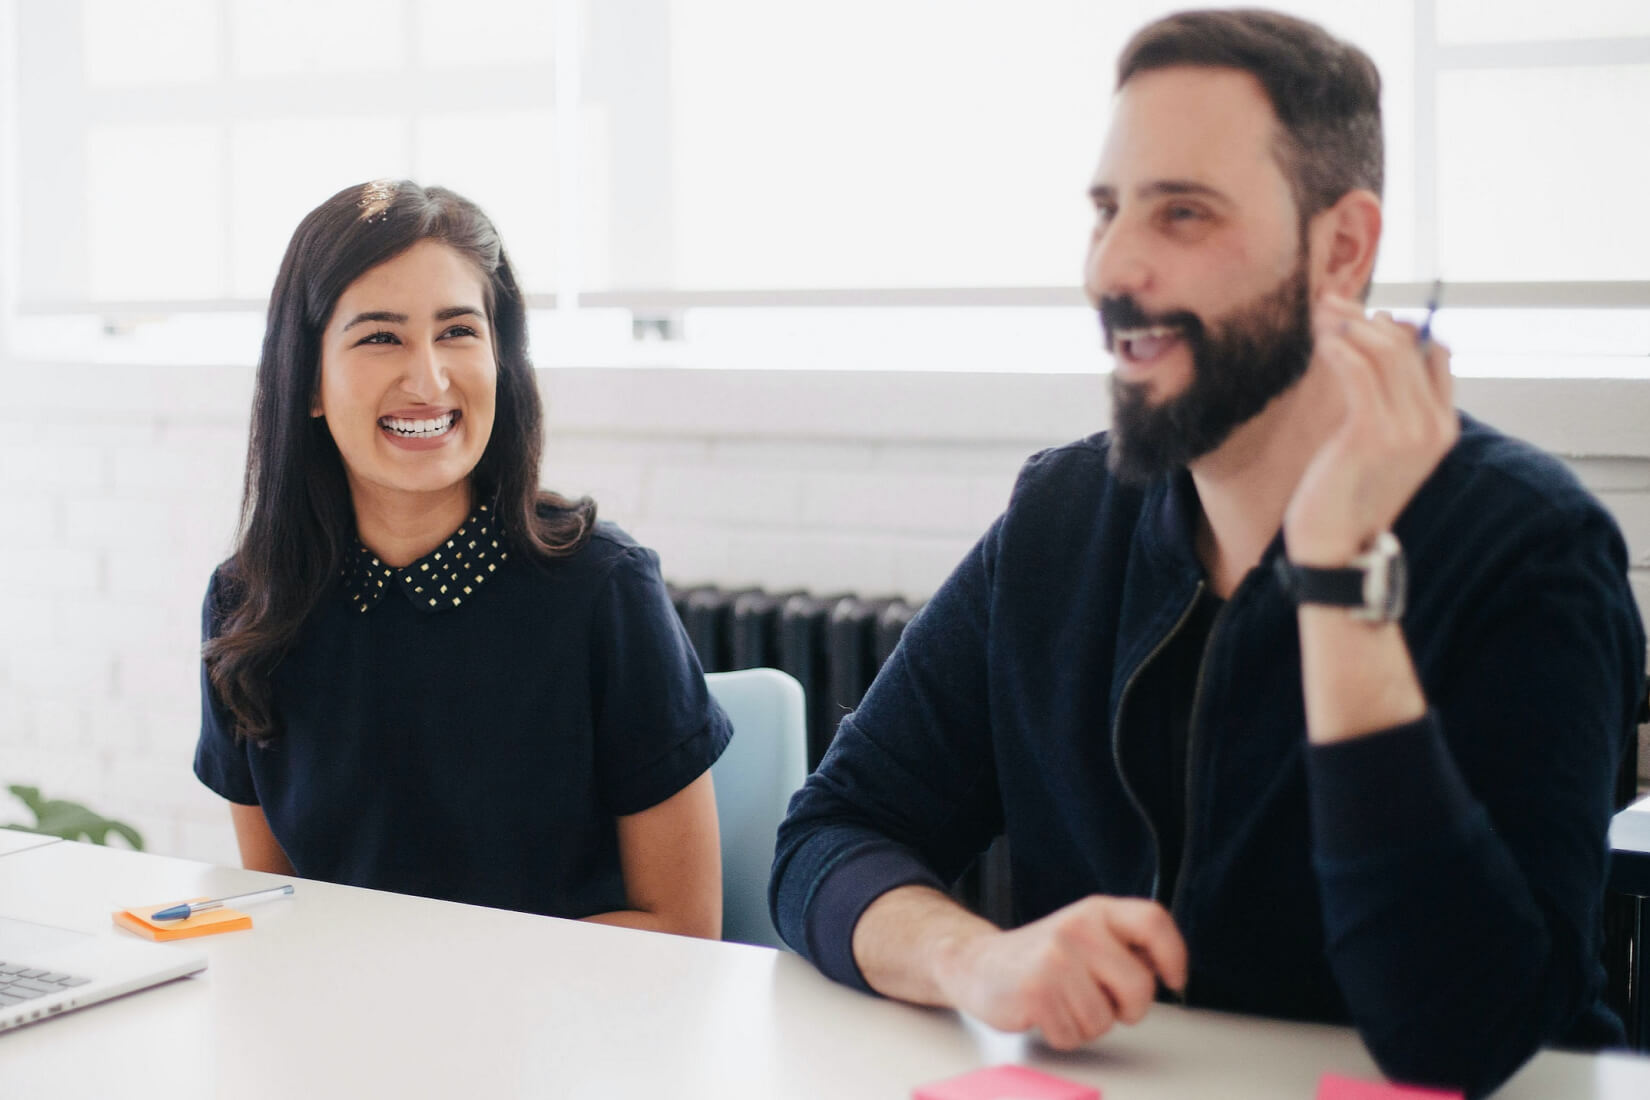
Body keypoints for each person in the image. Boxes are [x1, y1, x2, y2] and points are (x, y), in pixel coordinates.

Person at [770, 10, 1646, 1096]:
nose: (1113, 266)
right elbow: (830, 835)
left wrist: (1341, 580)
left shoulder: (1532, 551)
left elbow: (1465, 1037)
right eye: (1107, 211)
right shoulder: (1063, 516)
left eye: (1183, 213)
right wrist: (976, 958)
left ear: (1341, 249)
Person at [196, 180, 729, 939]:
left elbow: (684, 926)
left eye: (457, 331)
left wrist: (441, 983)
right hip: (342, 1005)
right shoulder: (248, 604)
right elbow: (280, 906)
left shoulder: (603, 588)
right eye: (381, 338)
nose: (429, 380)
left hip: (570, 1009)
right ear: (308, 380)